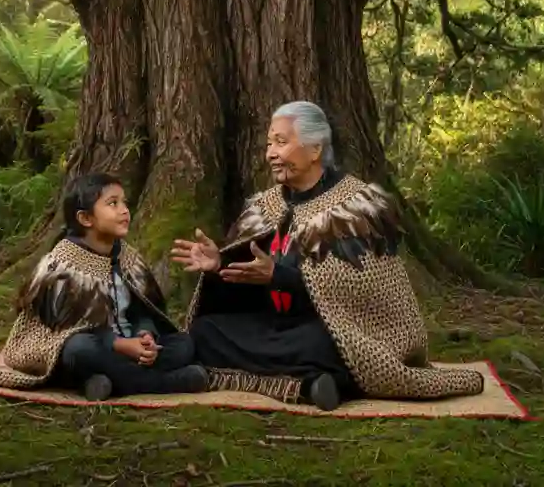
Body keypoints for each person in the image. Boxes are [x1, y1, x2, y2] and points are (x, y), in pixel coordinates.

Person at [171, 101, 486, 410]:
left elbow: (362, 293)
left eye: (281, 142)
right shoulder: (263, 206)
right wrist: (220, 264)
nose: (270, 154)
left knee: (331, 346)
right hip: (276, 328)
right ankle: (314, 384)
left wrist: (278, 277)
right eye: (269, 144)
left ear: (315, 149)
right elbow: (248, 285)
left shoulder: (358, 205)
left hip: (335, 330)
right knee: (206, 331)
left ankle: (321, 378)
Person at [0, 172, 207, 400]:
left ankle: (99, 382)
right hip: (91, 347)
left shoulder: (127, 257)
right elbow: (61, 329)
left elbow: (143, 311)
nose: (124, 210)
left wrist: (145, 336)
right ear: (85, 218)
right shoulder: (62, 264)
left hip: (128, 348)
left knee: (183, 344)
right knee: (79, 350)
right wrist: (121, 345)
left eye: (124, 202)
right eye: (112, 203)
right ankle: (159, 384)